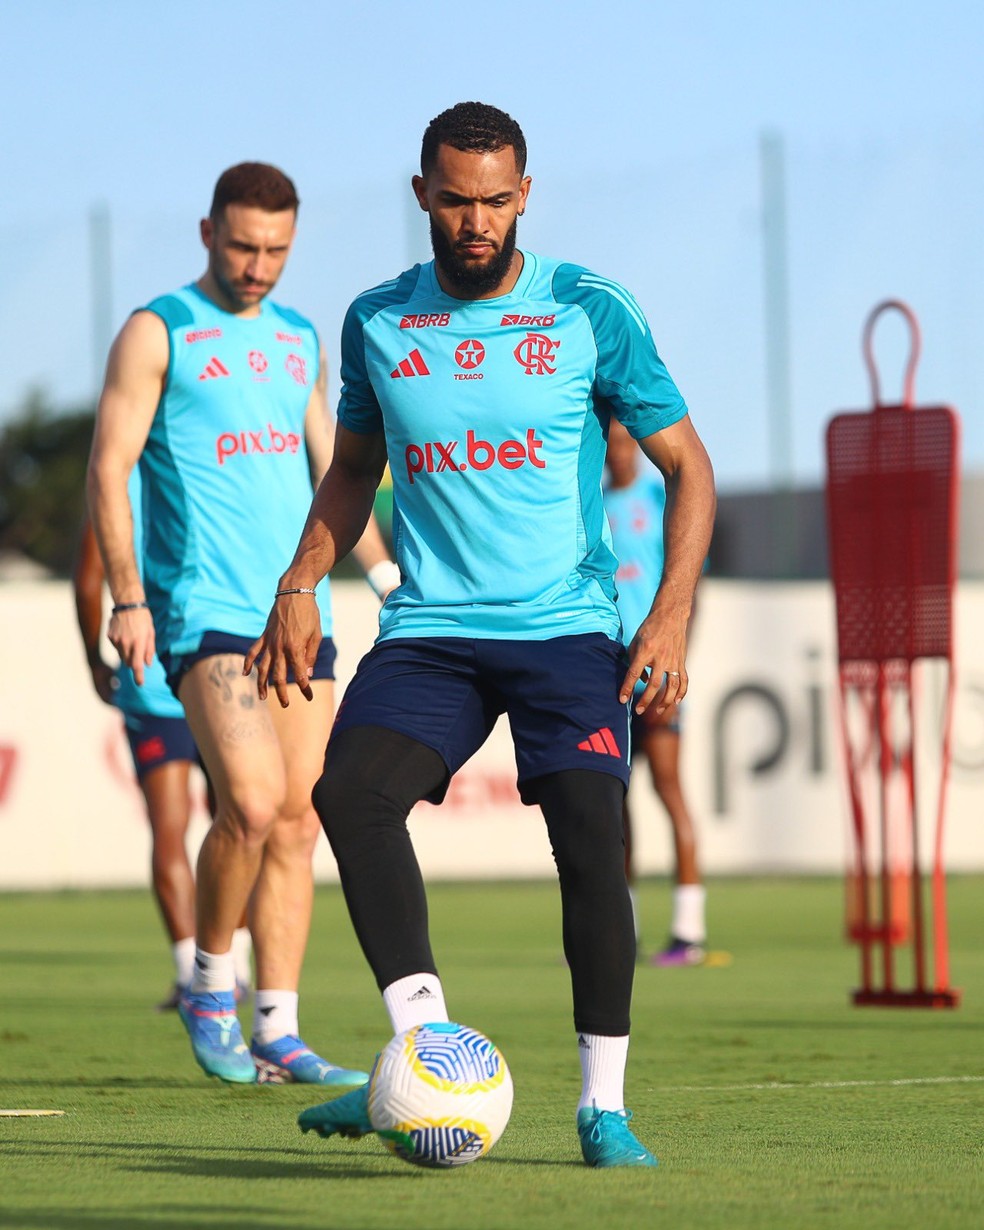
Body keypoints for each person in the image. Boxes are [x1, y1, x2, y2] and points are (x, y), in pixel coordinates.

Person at [247, 103, 715, 1166]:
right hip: (432, 631)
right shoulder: (376, 321)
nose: (475, 222)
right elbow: (354, 471)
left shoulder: (590, 308)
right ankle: (425, 1057)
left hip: (565, 630)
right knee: (349, 795)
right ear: (421, 194)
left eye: (495, 200)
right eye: (455, 200)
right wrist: (299, 580)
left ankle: (604, 1105)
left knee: (594, 833)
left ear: (525, 196)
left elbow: (691, 469)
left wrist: (671, 613)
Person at [86, 161, 399, 1087]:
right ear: (206, 233)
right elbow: (110, 468)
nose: (259, 266)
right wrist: (128, 596)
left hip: (295, 609)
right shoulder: (158, 331)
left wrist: (381, 573)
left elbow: (330, 469)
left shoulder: (302, 337)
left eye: (277, 250)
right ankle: (211, 988)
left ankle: (279, 1027)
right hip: (202, 610)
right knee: (252, 804)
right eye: (243, 245)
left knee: (301, 820)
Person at [73, 505, 254, 1010]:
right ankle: (233, 968)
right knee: (240, 820)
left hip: (149, 676)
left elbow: (89, 582)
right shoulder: (203, 471)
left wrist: (93, 658)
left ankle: (189, 976)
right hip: (220, 668)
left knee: (170, 828)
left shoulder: (114, 482)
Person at [604, 418, 707, 966]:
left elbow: (690, 581)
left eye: (627, 445)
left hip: (653, 676)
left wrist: (677, 650)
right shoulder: (592, 506)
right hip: (607, 676)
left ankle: (689, 930)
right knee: (613, 806)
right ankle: (624, 934)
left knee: (669, 790)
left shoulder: (657, 497)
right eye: (613, 446)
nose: (621, 455)